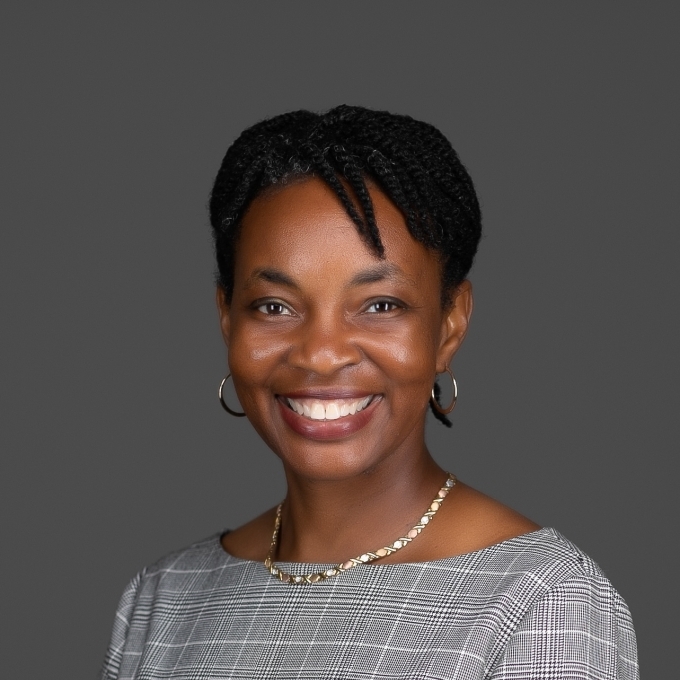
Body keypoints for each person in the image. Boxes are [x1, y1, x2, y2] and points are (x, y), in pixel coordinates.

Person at [100, 105, 639, 679]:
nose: (321, 353)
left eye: (381, 305)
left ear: (449, 324)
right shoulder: (162, 601)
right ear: (227, 319)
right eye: (274, 306)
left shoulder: (540, 603)